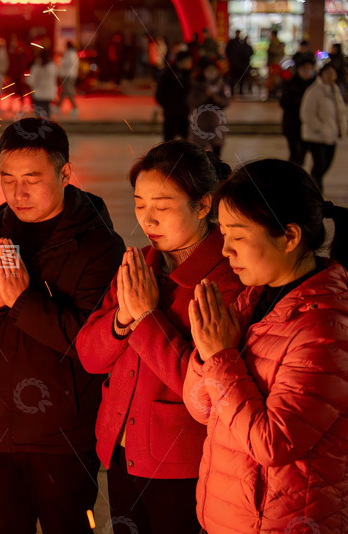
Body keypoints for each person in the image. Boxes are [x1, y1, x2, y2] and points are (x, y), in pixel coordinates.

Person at [0, 118, 125, 534]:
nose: (18, 193)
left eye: (31, 179)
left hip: (61, 439)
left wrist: (22, 302)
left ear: (64, 173)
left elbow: (89, 344)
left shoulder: (99, 246)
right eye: (7, 179)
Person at [76, 140, 241, 534]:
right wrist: (124, 318)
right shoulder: (140, 265)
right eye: (140, 204)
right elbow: (89, 355)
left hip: (181, 464)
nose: (148, 219)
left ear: (204, 206)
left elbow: (205, 387)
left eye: (163, 206)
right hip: (120, 452)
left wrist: (146, 318)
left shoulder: (225, 280)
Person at [184, 159, 348, 534]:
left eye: (238, 236)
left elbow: (273, 444)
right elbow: (200, 408)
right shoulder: (251, 300)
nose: (226, 250)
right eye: (222, 234)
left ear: (289, 237)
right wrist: (207, 353)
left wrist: (221, 357)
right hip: (228, 517)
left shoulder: (326, 327)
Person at [300, 62, 347, 191]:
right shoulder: (314, 91)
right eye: (328, 73)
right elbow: (307, 113)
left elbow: (340, 112)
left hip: (331, 134)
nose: (331, 75)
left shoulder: (335, 90)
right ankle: (315, 190)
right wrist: (321, 128)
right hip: (316, 136)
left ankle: (313, 188)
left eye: (333, 73)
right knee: (319, 165)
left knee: (326, 165)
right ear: (322, 74)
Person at [188, 59, 231, 156]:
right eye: (209, 70)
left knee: (217, 148)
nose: (211, 73)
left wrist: (216, 97)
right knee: (199, 150)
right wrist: (206, 95)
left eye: (213, 70)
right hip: (200, 120)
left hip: (217, 120)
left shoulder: (223, 86)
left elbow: (226, 102)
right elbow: (192, 101)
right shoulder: (197, 85)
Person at [280, 56, 316, 166]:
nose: (306, 71)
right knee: (296, 155)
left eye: (309, 68)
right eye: (304, 68)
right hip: (293, 125)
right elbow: (283, 102)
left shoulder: (315, 86)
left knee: (302, 155)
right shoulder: (291, 84)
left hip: (309, 126)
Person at [156, 50, 193, 141]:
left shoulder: (188, 74)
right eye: (188, 61)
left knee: (184, 139)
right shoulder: (168, 74)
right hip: (171, 112)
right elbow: (160, 93)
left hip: (183, 112)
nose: (190, 63)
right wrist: (168, 105)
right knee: (169, 140)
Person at [27, 49, 57, 119]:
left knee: (39, 113)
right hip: (48, 92)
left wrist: (26, 80)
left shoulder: (37, 67)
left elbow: (32, 80)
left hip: (38, 92)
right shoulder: (52, 66)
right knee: (47, 111)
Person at [58, 41, 79, 112]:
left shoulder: (69, 54)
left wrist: (61, 59)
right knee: (64, 91)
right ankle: (58, 105)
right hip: (70, 74)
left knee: (68, 90)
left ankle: (75, 107)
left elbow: (66, 64)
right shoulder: (73, 53)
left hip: (68, 75)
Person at [266, 30, 285, 99]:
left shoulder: (275, 43)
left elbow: (275, 51)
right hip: (275, 64)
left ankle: (272, 93)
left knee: (273, 80)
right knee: (273, 79)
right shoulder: (277, 42)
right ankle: (272, 93)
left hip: (274, 64)